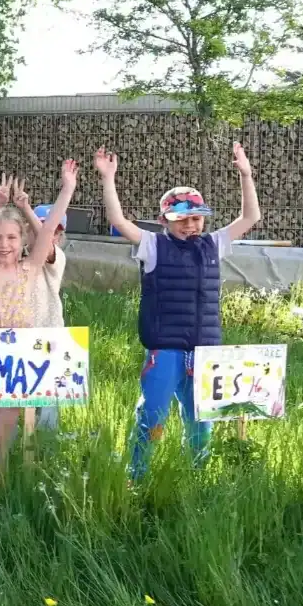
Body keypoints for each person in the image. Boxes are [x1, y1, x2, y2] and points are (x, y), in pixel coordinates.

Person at [95, 143, 260, 480]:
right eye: (181, 218)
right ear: (163, 220)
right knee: (152, 416)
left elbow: (250, 217)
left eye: (196, 217)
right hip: (165, 350)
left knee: (201, 420)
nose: (190, 224)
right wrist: (108, 178)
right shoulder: (153, 246)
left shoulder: (214, 244)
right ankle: (137, 476)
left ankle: (196, 476)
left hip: (205, 352)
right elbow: (117, 219)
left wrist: (246, 173)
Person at [0, 147, 77, 492]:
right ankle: (0, 488)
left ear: (23, 240)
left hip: (19, 358)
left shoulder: (30, 269)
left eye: (11, 237)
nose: (4, 244)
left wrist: (66, 188)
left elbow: (51, 225)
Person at [0, 174, 67, 432]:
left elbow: (44, 242)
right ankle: (4, 449)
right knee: (9, 405)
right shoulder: (14, 258)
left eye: (54, 230)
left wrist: (24, 207)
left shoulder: (56, 259)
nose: (48, 233)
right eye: (42, 226)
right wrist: (0, 206)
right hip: (14, 337)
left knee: (47, 408)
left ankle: (45, 450)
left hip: (48, 338)